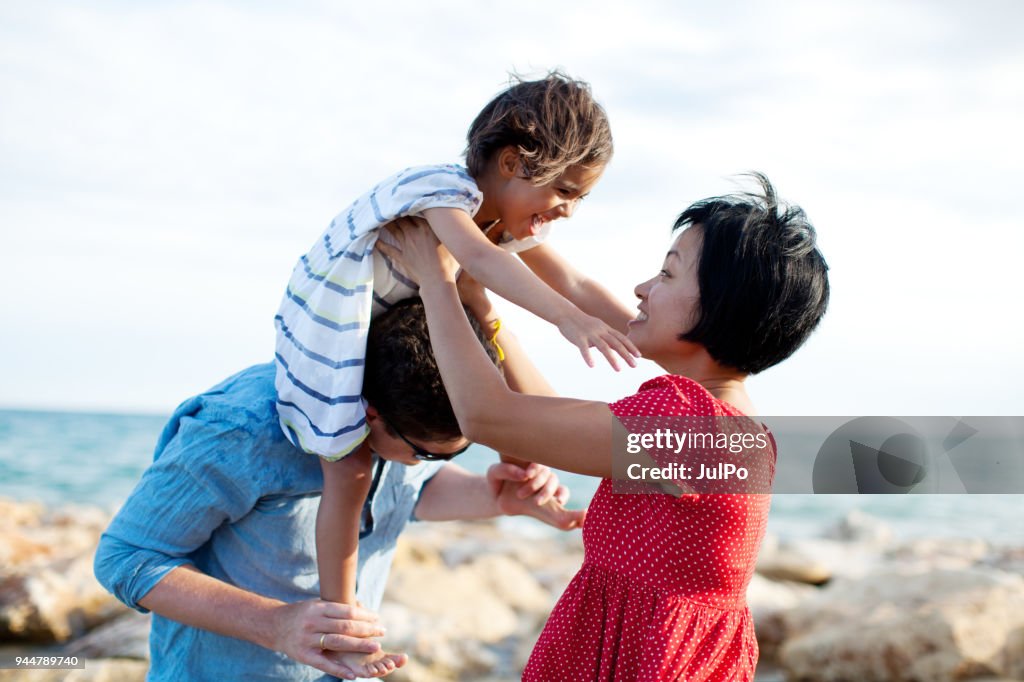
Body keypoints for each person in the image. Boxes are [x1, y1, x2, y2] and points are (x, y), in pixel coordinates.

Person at [380, 173, 830, 681]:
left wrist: (436, 280)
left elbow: (488, 418)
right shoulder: (726, 428)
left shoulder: (689, 428)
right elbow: (549, 419)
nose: (642, 288)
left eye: (667, 274)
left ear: (721, 308)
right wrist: (485, 308)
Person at [275, 71, 639, 676]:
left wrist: (653, 338)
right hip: (324, 347)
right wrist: (568, 321)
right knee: (351, 469)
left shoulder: (501, 225)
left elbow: (573, 280)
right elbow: (477, 261)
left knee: (483, 360)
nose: (569, 211)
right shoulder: (441, 191)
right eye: (566, 191)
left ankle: (522, 469)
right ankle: (340, 621)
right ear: (511, 162)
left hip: (381, 334)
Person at [94, 298, 584, 681]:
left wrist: (491, 497)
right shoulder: (242, 426)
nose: (436, 462)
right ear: (371, 413)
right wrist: (276, 623)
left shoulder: (406, 406)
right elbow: (126, 557)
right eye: (432, 452)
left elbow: (403, 489)